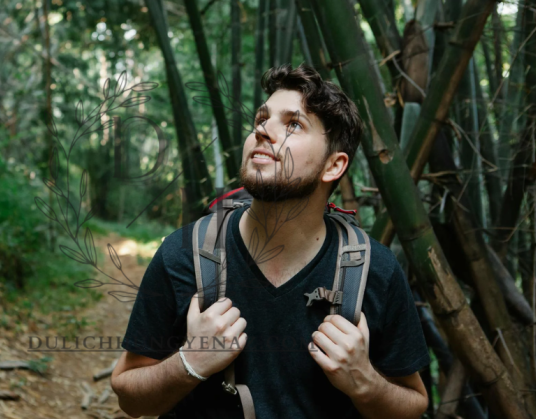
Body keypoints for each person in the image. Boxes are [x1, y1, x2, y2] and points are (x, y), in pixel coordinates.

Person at [110, 64, 430, 419]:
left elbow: (414, 404)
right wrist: (191, 362)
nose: (263, 129)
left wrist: (365, 382)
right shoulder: (182, 254)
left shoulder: (376, 272)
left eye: (293, 124)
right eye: (262, 118)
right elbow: (129, 395)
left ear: (333, 166)